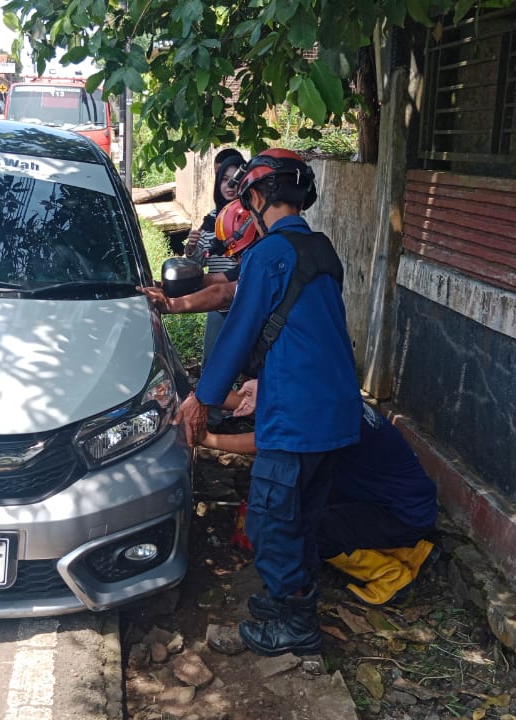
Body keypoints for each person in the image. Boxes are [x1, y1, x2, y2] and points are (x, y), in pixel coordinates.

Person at [174, 148, 362, 658]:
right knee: (302, 515)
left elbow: (238, 333)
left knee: (270, 520)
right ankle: (288, 604)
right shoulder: (323, 251)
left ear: (256, 197)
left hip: (297, 417)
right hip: (337, 413)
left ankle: (296, 624)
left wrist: (200, 400)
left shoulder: (268, 255)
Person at [200, 381, 440, 606]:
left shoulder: (323, 418)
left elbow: (269, 443)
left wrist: (207, 439)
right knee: (309, 502)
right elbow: (254, 403)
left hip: (401, 514)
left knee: (308, 530)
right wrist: (199, 397)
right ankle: (412, 552)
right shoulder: (324, 394)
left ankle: (391, 576)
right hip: (403, 501)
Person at [184, 149, 246, 364]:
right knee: (212, 365)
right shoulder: (211, 219)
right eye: (225, 179)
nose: (229, 186)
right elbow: (197, 264)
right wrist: (191, 248)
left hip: (247, 305)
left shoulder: (254, 219)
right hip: (217, 305)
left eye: (235, 180)